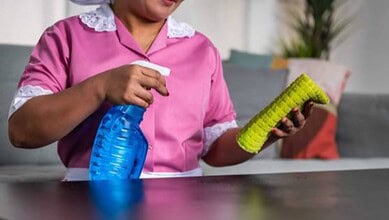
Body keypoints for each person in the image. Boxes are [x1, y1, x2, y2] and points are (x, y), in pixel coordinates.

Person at [8, 0, 313, 180]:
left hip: (186, 205)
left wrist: (264, 135)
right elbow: (21, 131)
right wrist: (99, 88)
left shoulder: (202, 50)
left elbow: (214, 146)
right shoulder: (66, 37)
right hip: (88, 202)